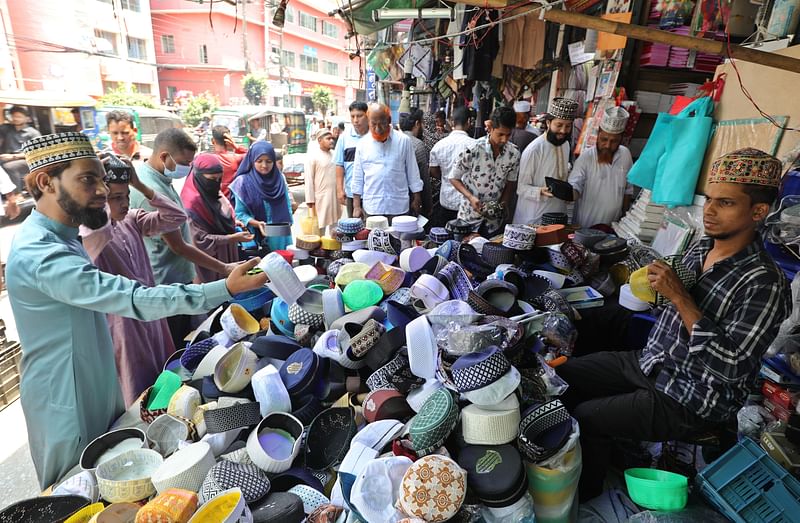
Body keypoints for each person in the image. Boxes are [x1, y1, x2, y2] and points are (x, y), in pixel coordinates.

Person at [7, 132, 267, 489]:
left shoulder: (64, 237)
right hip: (65, 396)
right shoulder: (40, 252)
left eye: (102, 179)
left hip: (97, 377)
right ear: (44, 183)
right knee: (77, 489)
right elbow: (129, 296)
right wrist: (224, 288)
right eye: (88, 179)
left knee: (117, 475)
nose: (101, 190)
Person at [558, 148, 791, 502]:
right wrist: (655, 289)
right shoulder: (702, 248)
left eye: (725, 203)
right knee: (564, 376)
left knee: (588, 417)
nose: (709, 211)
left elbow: (733, 367)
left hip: (693, 395)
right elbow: (668, 303)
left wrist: (681, 297)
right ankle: (594, 461)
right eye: (709, 200)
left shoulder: (764, 282)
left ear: (758, 212)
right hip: (653, 361)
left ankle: (585, 498)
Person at [80, 153, 187, 406]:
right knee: (137, 393)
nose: (124, 203)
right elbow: (97, 231)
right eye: (115, 198)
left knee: (165, 383)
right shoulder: (91, 235)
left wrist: (139, 185)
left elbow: (176, 218)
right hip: (123, 328)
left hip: (152, 316)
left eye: (126, 196)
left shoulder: (133, 220)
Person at [130, 129, 236, 347]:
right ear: (164, 157)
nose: (187, 168)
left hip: (177, 276)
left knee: (183, 335)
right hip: (165, 283)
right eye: (184, 162)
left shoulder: (159, 180)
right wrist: (224, 268)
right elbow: (178, 246)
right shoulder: (148, 189)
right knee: (174, 344)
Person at [181, 153, 252, 283]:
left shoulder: (213, 193)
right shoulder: (190, 204)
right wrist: (232, 238)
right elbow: (198, 240)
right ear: (197, 176)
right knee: (213, 295)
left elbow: (221, 214)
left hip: (226, 255)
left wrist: (233, 222)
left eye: (219, 179)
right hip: (208, 262)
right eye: (212, 179)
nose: (216, 183)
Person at [450, 106, 519, 237]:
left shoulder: (514, 153)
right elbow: (454, 177)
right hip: (468, 219)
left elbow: (511, 183)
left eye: (508, 135)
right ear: (491, 128)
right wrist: (470, 197)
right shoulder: (473, 149)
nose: (504, 140)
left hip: (494, 223)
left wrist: (503, 204)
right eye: (500, 134)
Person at [351, 103, 423, 220]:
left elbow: (413, 173)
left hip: (398, 207)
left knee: (399, 238)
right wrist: (356, 206)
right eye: (373, 124)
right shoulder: (362, 144)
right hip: (372, 208)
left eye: (382, 124)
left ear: (389, 120)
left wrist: (417, 198)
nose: (378, 129)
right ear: (368, 122)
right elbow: (357, 177)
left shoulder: (404, 141)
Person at [513, 97, 579, 225]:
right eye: (559, 125)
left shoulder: (565, 145)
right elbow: (521, 188)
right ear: (548, 123)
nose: (563, 131)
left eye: (568, 126)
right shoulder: (535, 149)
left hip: (557, 215)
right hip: (532, 216)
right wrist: (540, 191)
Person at [569, 106, 634, 227]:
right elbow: (575, 186)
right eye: (604, 139)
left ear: (621, 139)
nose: (608, 145)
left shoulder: (625, 154)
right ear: (598, 134)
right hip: (585, 227)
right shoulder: (586, 158)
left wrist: (624, 217)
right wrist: (570, 193)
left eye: (614, 141)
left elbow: (628, 189)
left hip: (612, 228)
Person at [229, 141, 293, 252]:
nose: (264, 165)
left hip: (280, 235)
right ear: (252, 161)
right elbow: (239, 214)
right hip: (255, 237)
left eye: (269, 161)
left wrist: (288, 224)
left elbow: (287, 206)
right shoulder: (242, 182)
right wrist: (257, 224)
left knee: (282, 265)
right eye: (259, 161)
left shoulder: (279, 179)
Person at [429, 107, 476, 228]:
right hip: (468, 203)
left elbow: (433, 172)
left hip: (446, 200)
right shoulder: (475, 145)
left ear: (451, 122)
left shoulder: (439, 146)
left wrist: (446, 176)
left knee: (445, 239)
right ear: (469, 121)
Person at [334, 101, 369, 217]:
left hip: (372, 193)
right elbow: (339, 164)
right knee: (353, 228)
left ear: (367, 115)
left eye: (359, 116)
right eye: (352, 116)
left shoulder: (374, 135)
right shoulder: (344, 137)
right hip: (351, 193)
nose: (355, 120)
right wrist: (339, 189)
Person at [305, 129, 341, 232]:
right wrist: (310, 200)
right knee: (319, 227)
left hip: (334, 196)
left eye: (332, 139)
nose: (331, 141)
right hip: (320, 197)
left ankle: (333, 247)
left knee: (335, 226)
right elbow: (309, 179)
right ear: (319, 140)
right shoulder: (312, 156)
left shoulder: (335, 154)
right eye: (328, 139)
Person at [399, 108, 432, 216]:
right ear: (417, 123)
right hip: (410, 200)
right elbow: (424, 177)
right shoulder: (418, 145)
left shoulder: (394, 141)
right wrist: (428, 206)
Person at [0, 105, 41, 191]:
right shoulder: (7, 129)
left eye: (19, 117)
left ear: (27, 118)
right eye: (14, 116)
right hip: (7, 158)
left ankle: (17, 194)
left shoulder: (33, 133)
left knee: (9, 167)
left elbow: (37, 153)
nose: (16, 119)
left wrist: (13, 157)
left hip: (27, 160)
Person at [210, 125, 247, 198]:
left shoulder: (205, 159)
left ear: (213, 141)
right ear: (228, 142)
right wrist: (236, 146)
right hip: (230, 202)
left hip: (210, 202)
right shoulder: (236, 158)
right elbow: (253, 155)